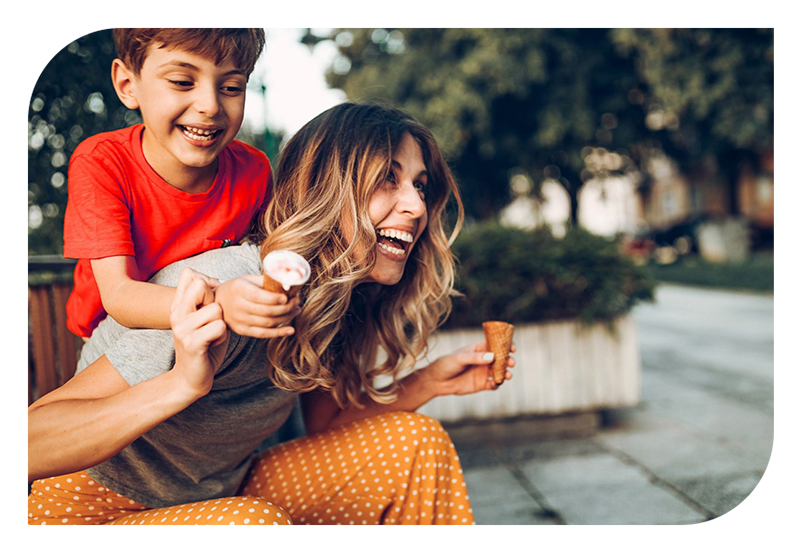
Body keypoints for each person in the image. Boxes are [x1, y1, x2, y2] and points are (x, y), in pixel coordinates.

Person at [28, 103, 514, 525]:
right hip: (87, 511)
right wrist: (180, 385)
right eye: (387, 179)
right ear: (327, 188)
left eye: (421, 186)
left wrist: (428, 382)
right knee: (251, 526)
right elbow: (27, 443)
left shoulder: (337, 300)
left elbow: (322, 422)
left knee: (415, 446)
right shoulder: (223, 287)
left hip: (216, 497)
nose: (415, 206)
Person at [62, 28, 299, 341]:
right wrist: (220, 301)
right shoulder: (102, 162)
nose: (210, 106)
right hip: (110, 337)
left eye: (231, 87)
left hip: (199, 329)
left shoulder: (253, 169)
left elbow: (267, 257)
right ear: (127, 84)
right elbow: (118, 295)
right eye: (182, 82)